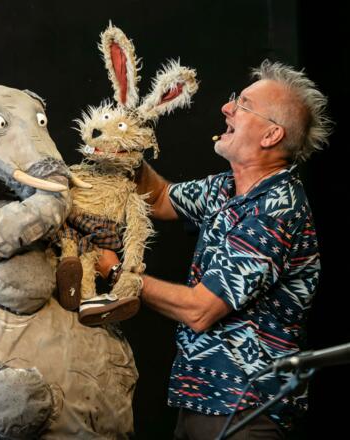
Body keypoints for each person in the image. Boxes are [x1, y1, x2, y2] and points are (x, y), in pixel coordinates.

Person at [97, 59, 331, 439]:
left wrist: (115, 273)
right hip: (202, 400)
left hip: (246, 408)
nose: (226, 108)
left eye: (242, 105)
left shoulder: (276, 210)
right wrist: (129, 150)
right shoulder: (227, 188)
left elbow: (200, 310)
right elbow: (160, 198)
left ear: (271, 135)